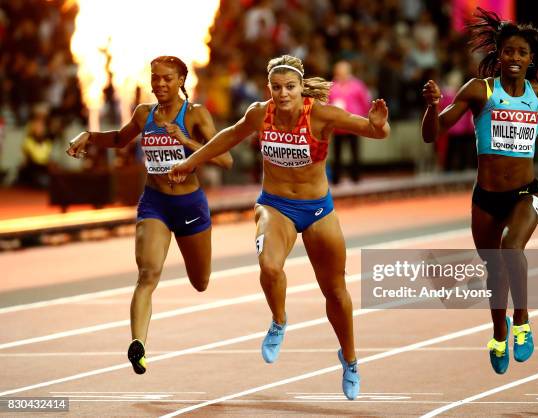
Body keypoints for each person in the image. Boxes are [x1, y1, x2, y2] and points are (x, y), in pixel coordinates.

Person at [169, 55, 389, 399]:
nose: (283, 94)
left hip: (317, 209)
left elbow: (375, 131)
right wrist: (190, 160)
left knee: (335, 291)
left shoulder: (321, 115)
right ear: (268, 89)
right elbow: (228, 136)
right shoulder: (261, 113)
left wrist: (379, 124)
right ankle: (279, 320)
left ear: (302, 88)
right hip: (275, 205)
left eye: (290, 87)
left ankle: (349, 360)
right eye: (276, 87)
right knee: (269, 266)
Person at [421, 8, 538, 375]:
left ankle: (523, 321)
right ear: (499, 55)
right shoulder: (479, 91)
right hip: (486, 197)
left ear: (532, 60)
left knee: (511, 249)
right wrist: (433, 106)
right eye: (509, 52)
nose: (515, 58)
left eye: (522, 53)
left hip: (527, 193)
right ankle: (500, 331)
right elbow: (431, 134)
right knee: (494, 271)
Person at [66, 56, 233, 375]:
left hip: (190, 206)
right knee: (147, 274)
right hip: (154, 203)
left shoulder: (195, 114)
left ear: (181, 80)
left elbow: (225, 160)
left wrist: (185, 141)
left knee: (201, 282)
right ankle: (138, 344)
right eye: (155, 78)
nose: (159, 84)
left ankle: (143, 336)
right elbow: (118, 138)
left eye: (167, 79)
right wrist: (89, 136)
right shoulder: (144, 114)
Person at [328, 60, 371, 184]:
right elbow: (326, 103)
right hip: (338, 126)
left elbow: (365, 103)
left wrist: (363, 119)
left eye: (343, 71)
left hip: (354, 124)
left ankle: (356, 177)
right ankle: (336, 179)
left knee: (355, 152)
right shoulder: (332, 86)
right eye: (338, 71)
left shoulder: (358, 85)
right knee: (337, 154)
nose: (340, 73)